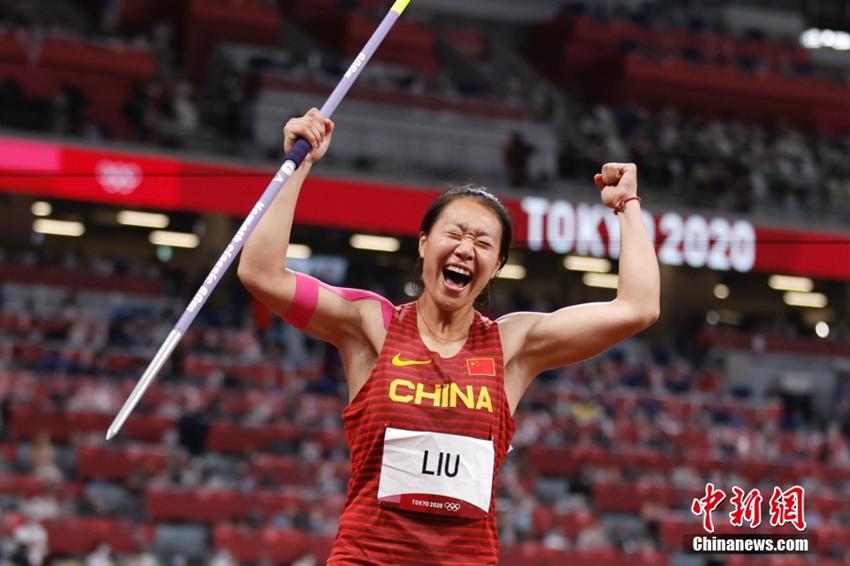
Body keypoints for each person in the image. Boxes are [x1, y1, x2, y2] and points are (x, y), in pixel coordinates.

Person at [238, 108, 660, 565]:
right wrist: (298, 166)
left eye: (482, 243)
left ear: (496, 266)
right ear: (423, 243)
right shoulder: (371, 324)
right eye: (454, 233)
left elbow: (638, 308)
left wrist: (626, 206)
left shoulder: (514, 345)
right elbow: (261, 273)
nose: (465, 248)